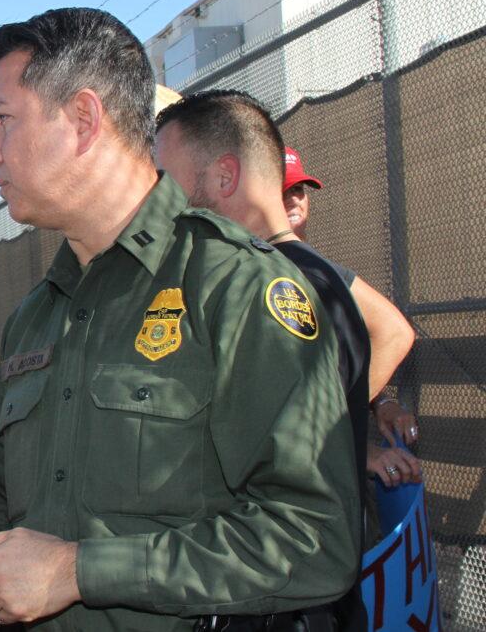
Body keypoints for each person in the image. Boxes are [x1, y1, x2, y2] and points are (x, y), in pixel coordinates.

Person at [0, 8, 360, 632]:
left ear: (83, 120)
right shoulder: (34, 317)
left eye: (3, 119)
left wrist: (79, 571)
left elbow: (315, 538)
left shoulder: (235, 285)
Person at [152, 90, 413, 631]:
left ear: (224, 178)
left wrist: (339, 432)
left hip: (285, 600)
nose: (160, 202)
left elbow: (392, 331)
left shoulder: (279, 280)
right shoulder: (298, 273)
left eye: (168, 182)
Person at [282, 146, 420, 457]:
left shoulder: (315, 266)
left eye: (299, 189)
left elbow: (344, 356)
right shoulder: (272, 268)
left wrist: (378, 402)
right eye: (282, 189)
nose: (293, 198)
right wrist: (345, 437)